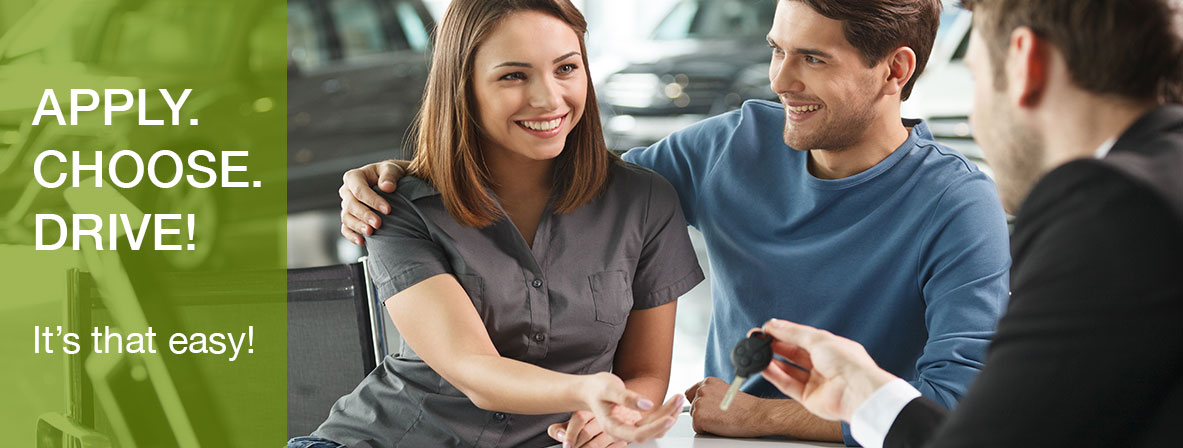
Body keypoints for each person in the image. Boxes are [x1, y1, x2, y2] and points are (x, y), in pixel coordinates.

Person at [337, 0, 1013, 444]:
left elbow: (951, 406)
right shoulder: (727, 146)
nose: (779, 80)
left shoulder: (957, 204)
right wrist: (402, 175)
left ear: (894, 70)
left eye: (812, 58)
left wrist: (760, 415)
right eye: (778, 50)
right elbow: (566, 180)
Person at [750, 0, 1183, 447]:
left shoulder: (1113, 211)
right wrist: (863, 396)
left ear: (1026, 62)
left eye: (976, 78)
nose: (976, 118)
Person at [288, 1, 704, 447]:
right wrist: (584, 389)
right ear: (462, 87)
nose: (548, 98)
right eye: (513, 75)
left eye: (566, 68)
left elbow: (645, 372)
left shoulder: (644, 202)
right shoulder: (399, 207)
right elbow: (472, 368)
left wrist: (615, 415)